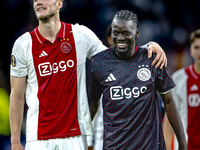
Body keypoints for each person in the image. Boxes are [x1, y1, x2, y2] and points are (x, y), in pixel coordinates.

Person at [9, 0, 167, 149]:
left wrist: (147, 47)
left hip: (74, 136)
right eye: (36, 0)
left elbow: (113, 57)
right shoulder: (23, 44)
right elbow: (17, 95)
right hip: (38, 137)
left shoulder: (80, 35)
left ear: (59, 3)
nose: (38, 2)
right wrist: (15, 141)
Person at [87, 10, 187, 150]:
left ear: (137, 33)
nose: (120, 37)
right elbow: (92, 105)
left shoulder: (153, 59)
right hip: (115, 146)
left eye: (126, 33)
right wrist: (80, 138)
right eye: (116, 32)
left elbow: (169, 102)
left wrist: (182, 144)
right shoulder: (98, 63)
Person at [163, 29, 200, 150]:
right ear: (190, 50)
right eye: (196, 47)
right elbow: (169, 119)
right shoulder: (179, 78)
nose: (199, 52)